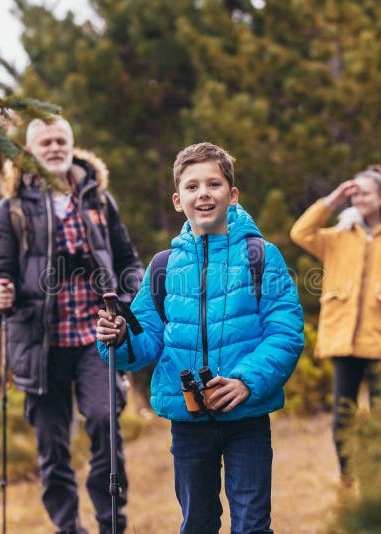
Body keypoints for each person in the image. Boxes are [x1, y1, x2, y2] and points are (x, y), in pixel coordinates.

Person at [96, 142, 304, 534]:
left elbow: (286, 333)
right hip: (188, 420)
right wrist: (118, 338)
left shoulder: (262, 256)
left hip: (247, 415)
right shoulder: (163, 266)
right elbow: (144, 343)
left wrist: (246, 381)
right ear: (178, 200)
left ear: (232, 194)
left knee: (252, 526)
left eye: (214, 184)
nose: (203, 193)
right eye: (192, 187)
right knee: (197, 524)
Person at [0, 115, 143, 534]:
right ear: (29, 153)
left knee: (106, 424)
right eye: (44, 142)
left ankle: (112, 524)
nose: (54, 148)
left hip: (97, 336)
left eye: (61, 140)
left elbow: (129, 263)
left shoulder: (99, 202)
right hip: (41, 344)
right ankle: (68, 528)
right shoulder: (10, 209)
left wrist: (128, 301)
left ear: (72, 145)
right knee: (52, 446)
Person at [289, 164, 381, 487]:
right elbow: (301, 233)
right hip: (344, 339)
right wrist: (332, 200)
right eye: (354, 192)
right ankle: (348, 478)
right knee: (343, 418)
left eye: (364, 192)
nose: (358, 197)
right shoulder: (339, 237)